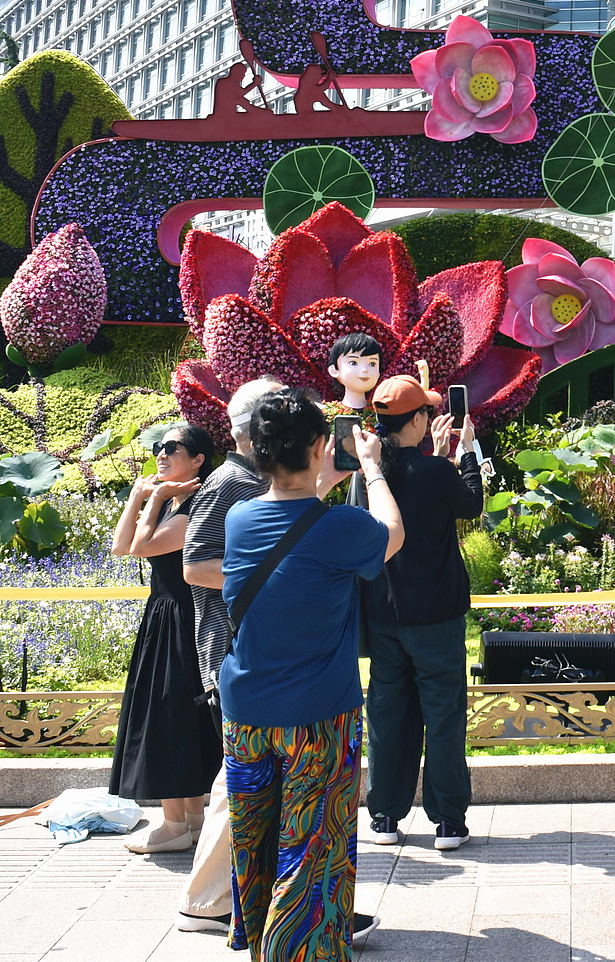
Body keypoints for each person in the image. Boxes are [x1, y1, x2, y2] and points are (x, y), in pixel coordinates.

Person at [221, 388, 404, 957]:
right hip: (317, 719)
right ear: (323, 446)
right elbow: (392, 534)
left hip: (246, 713)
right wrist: (372, 468)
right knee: (311, 848)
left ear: (258, 453)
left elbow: (294, 518)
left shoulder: (240, 519)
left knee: (255, 839)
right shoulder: (341, 527)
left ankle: (254, 940)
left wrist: (316, 478)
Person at [174, 378, 280, 935]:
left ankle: (225, 898)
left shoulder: (259, 480)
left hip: (258, 651)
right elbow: (195, 566)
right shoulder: (229, 482)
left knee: (243, 779)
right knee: (236, 782)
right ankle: (208, 900)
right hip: (231, 652)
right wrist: (278, 575)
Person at [362, 374, 482, 852]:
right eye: (427, 412)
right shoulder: (433, 472)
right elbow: (469, 504)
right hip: (436, 615)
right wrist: (466, 453)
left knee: (388, 714)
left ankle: (385, 816)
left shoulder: (368, 473)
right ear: (416, 420)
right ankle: (448, 820)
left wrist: (442, 458)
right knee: (444, 714)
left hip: (384, 612)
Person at [107, 422, 221, 852]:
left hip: (182, 618)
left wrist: (152, 499)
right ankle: (189, 819)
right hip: (165, 617)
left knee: (169, 717)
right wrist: (139, 497)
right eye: (158, 446)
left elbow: (142, 547)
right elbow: (121, 546)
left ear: (197, 460)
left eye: (173, 447)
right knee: (175, 715)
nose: (162, 453)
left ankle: (176, 825)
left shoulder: (195, 509)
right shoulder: (175, 505)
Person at [327, 332, 384, 410]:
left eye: (372, 364)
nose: (365, 370)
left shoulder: (383, 415)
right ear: (334, 370)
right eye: (353, 363)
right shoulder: (326, 415)